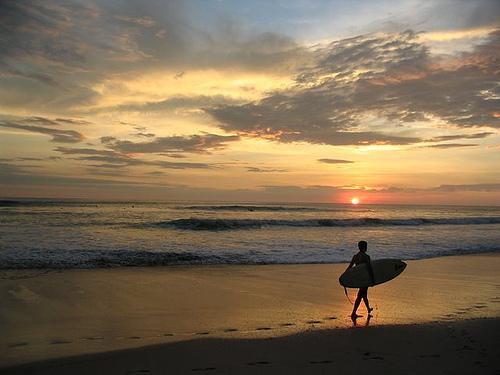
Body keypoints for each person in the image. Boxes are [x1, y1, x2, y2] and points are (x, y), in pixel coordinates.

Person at [345, 240, 375, 318]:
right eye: (366, 246)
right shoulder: (366, 257)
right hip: (365, 279)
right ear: (365, 247)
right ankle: (353, 313)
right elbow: (369, 269)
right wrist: (373, 279)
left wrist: (344, 275)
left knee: (364, 295)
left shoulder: (355, 256)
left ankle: (368, 309)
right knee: (360, 295)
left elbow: (350, 267)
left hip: (359, 279)